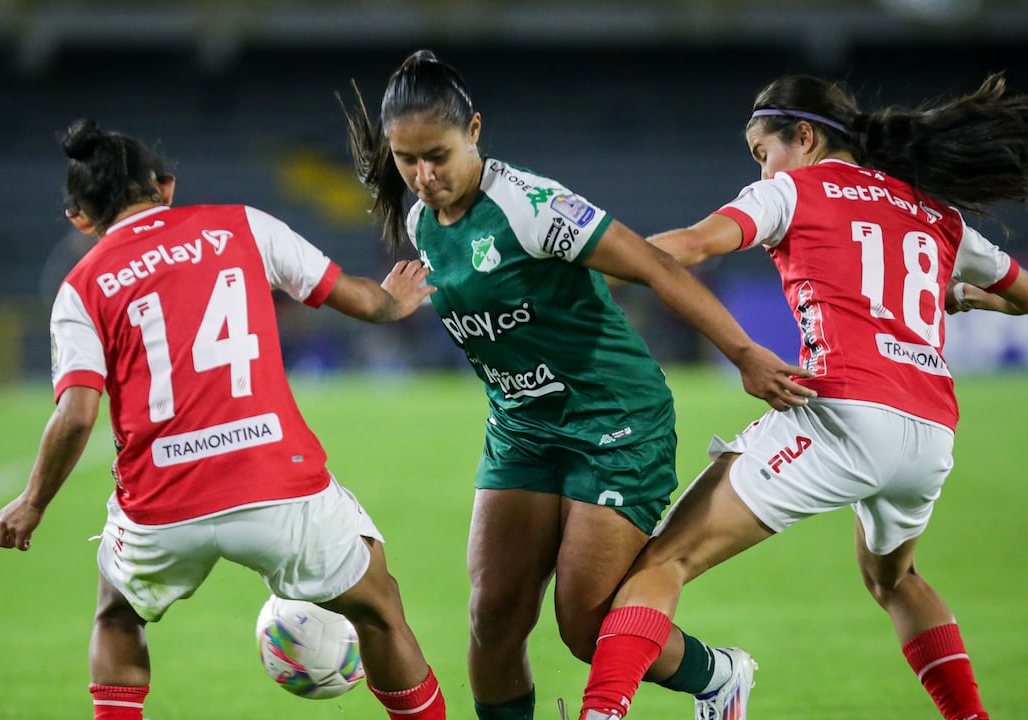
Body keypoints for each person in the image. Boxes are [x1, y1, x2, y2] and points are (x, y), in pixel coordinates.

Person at [576, 72, 1028, 720]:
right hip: (930, 431)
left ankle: (603, 711)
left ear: (804, 137)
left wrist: (582, 257)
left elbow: (692, 247)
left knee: (664, 562)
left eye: (763, 153)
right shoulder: (934, 212)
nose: (762, 171)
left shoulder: (791, 191)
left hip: (845, 414)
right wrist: (959, 295)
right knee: (893, 580)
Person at [339, 50, 815, 720]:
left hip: (613, 418)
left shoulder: (533, 206)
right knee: (493, 618)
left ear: (474, 129)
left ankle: (719, 677)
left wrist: (742, 352)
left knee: (588, 625)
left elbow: (653, 266)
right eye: (406, 159)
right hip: (522, 427)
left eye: (437, 155)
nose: (423, 176)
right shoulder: (422, 223)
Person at [0, 119, 449, 720]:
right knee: (378, 607)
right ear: (166, 186)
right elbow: (363, 301)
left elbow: (76, 415)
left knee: (117, 615)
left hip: (161, 503)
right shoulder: (242, 224)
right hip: (275, 483)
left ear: (80, 218)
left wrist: (32, 502)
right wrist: (395, 300)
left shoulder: (80, 287)